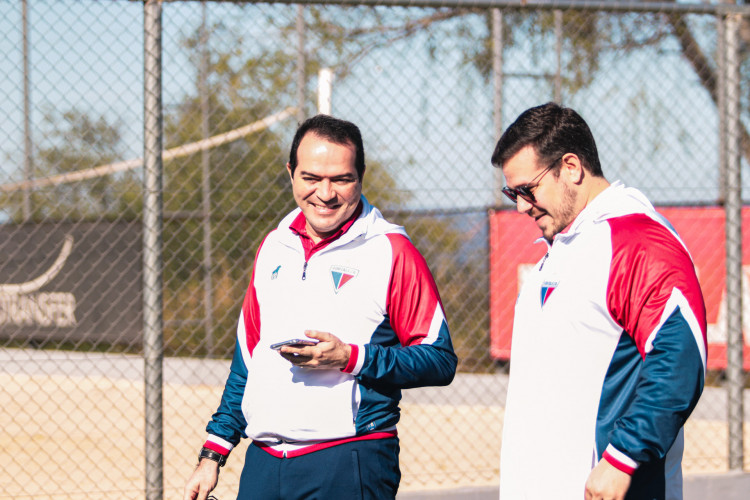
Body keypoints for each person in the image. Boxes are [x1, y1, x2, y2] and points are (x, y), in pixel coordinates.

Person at [183, 114, 457, 500]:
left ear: (360, 177)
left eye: (341, 180)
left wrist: (352, 357)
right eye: (311, 178)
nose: (325, 194)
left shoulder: (392, 250)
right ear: (291, 173)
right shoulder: (273, 246)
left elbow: (440, 360)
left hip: (347, 462)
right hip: (263, 465)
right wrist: (214, 451)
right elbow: (248, 360)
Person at [491, 102, 707, 500]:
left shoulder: (637, 239)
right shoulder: (563, 246)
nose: (520, 205)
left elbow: (681, 356)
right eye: (512, 192)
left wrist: (623, 458)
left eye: (527, 189)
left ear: (571, 167)